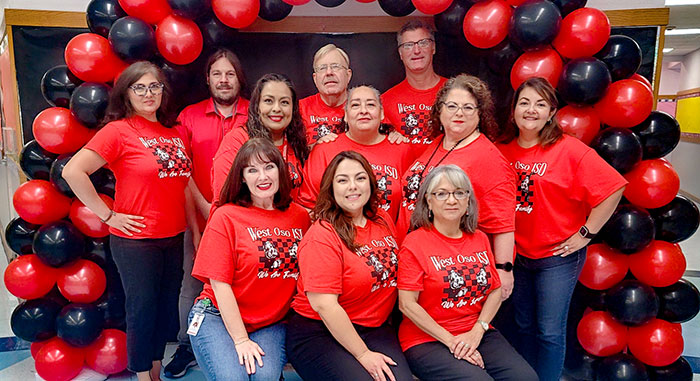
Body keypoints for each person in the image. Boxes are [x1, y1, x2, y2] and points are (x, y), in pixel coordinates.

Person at [63, 61, 193, 381]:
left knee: (165, 315)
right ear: (127, 94)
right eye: (140, 88)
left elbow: (184, 182)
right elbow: (72, 172)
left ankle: (156, 372)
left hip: (173, 236)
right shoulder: (118, 131)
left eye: (154, 86)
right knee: (142, 313)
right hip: (137, 242)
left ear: (163, 91)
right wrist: (107, 215)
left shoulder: (174, 131)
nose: (148, 94)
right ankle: (142, 376)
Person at [496, 77, 626, 381]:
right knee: (523, 325)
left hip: (557, 256)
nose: (531, 110)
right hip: (517, 256)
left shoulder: (569, 149)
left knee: (549, 332)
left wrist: (586, 234)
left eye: (540, 104)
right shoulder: (501, 149)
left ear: (552, 111)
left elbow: (613, 188)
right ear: (513, 108)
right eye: (524, 102)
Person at [398, 164, 537, 381]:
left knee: (525, 377)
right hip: (426, 339)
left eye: (459, 193)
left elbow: (494, 289)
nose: (452, 200)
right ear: (428, 201)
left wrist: (477, 331)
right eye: (441, 193)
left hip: (476, 331)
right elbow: (407, 304)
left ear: (467, 201)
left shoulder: (479, 238)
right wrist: (453, 342)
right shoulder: (415, 243)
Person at [189, 138, 311, 381]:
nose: (262, 176)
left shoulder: (299, 217)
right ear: (242, 177)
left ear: (280, 171)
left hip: (270, 322)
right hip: (217, 316)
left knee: (263, 377)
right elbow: (219, 285)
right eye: (252, 170)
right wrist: (241, 339)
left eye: (269, 167)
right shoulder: (226, 217)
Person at [287, 151, 413, 381]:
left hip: (373, 327)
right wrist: (363, 354)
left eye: (360, 178)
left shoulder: (381, 219)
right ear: (331, 188)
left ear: (371, 183)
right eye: (342, 180)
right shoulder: (322, 235)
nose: (353, 186)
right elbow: (325, 306)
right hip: (319, 331)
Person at [165, 48, 250, 379]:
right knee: (192, 285)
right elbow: (182, 174)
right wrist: (203, 220)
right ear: (208, 79)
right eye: (218, 74)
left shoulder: (253, 115)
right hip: (198, 219)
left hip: (247, 223)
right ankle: (188, 345)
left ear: (239, 78)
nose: (224, 80)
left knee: (245, 285)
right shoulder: (189, 116)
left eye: (230, 74)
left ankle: (242, 341)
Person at [396, 74, 517, 301]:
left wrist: (504, 269)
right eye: (452, 106)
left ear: (480, 114)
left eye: (468, 107)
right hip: (419, 261)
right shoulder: (437, 144)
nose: (459, 113)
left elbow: (503, 222)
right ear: (439, 111)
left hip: (452, 270)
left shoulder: (488, 157)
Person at [297, 85, 413, 221]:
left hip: (386, 238)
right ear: (346, 115)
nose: (363, 111)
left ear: (381, 113)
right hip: (339, 238)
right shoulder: (324, 150)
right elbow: (307, 207)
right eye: (355, 105)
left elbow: (410, 205)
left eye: (370, 105)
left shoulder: (402, 150)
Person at [211, 73, 309, 203]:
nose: (276, 109)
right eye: (268, 101)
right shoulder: (237, 141)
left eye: (284, 102)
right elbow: (224, 197)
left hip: (290, 222)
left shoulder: (297, 143)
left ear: (293, 108)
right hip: (245, 222)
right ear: (257, 106)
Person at [381, 20, 447, 150]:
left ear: (433, 47)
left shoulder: (454, 92)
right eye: (408, 45)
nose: (416, 50)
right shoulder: (384, 102)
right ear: (400, 53)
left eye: (423, 43)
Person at [300, 44, 352, 145]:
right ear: (315, 78)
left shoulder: (364, 108)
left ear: (348, 75)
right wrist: (316, 147)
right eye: (322, 68)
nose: (329, 72)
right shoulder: (300, 109)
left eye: (335, 66)